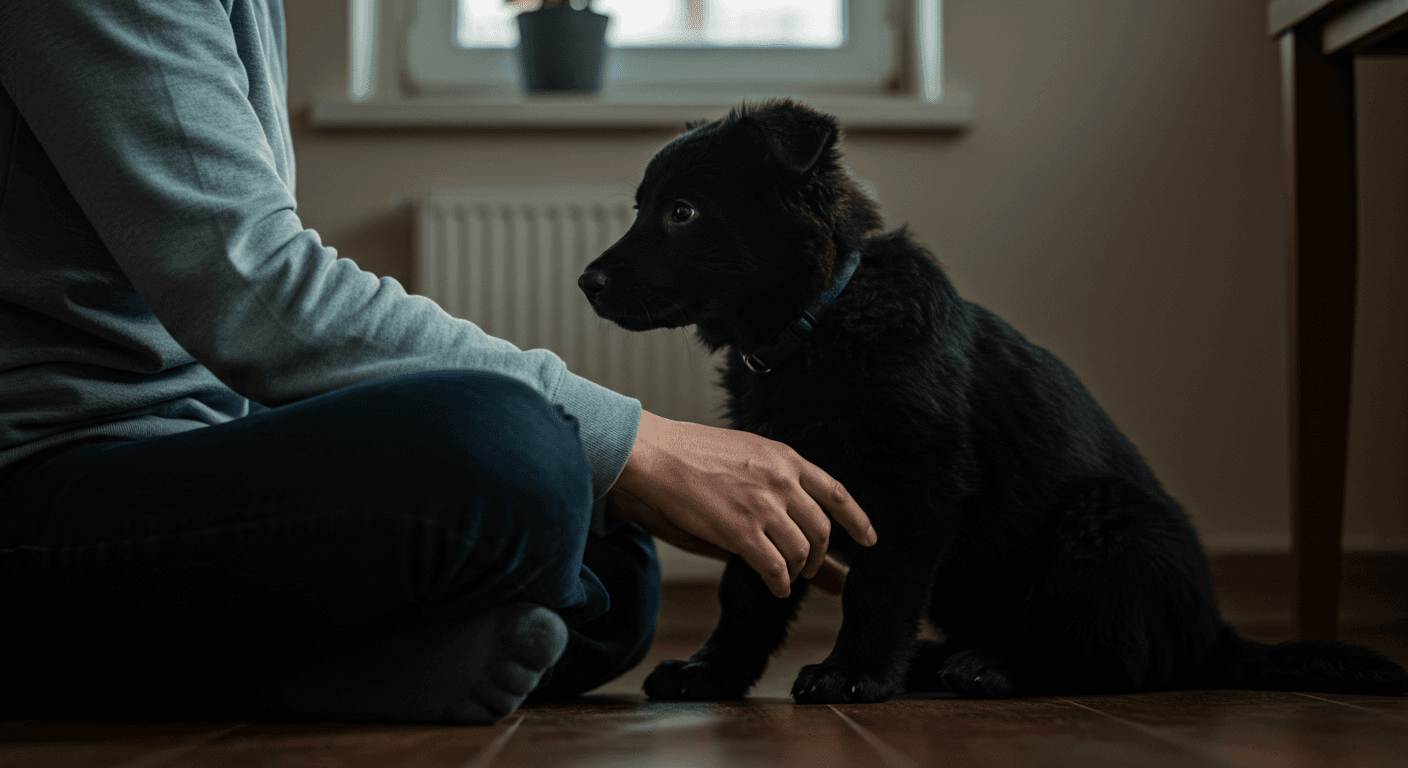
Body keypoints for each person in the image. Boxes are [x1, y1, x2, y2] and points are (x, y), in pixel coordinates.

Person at [0, 0, 875, 723]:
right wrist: (637, 443)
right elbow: (255, 294)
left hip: (189, 443)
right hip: (42, 484)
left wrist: (609, 465)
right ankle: (293, 679)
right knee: (515, 450)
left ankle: (318, 674)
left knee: (613, 560)